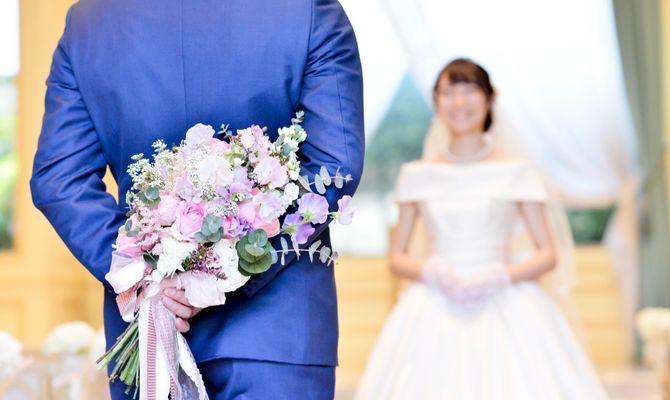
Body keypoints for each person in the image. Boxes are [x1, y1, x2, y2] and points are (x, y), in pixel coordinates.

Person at [29, 1, 364, 399]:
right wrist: (226, 267)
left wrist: (146, 276)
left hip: (151, 339)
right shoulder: (308, 10)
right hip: (276, 336)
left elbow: (59, 178)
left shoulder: (90, 20)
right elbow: (334, 164)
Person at [354, 58, 607, 399]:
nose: (459, 102)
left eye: (470, 90)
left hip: (508, 300)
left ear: (489, 99)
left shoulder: (517, 171)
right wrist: (432, 272)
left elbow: (548, 254)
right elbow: (397, 258)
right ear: (436, 101)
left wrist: (500, 276)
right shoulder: (416, 175)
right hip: (434, 301)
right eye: (449, 92)